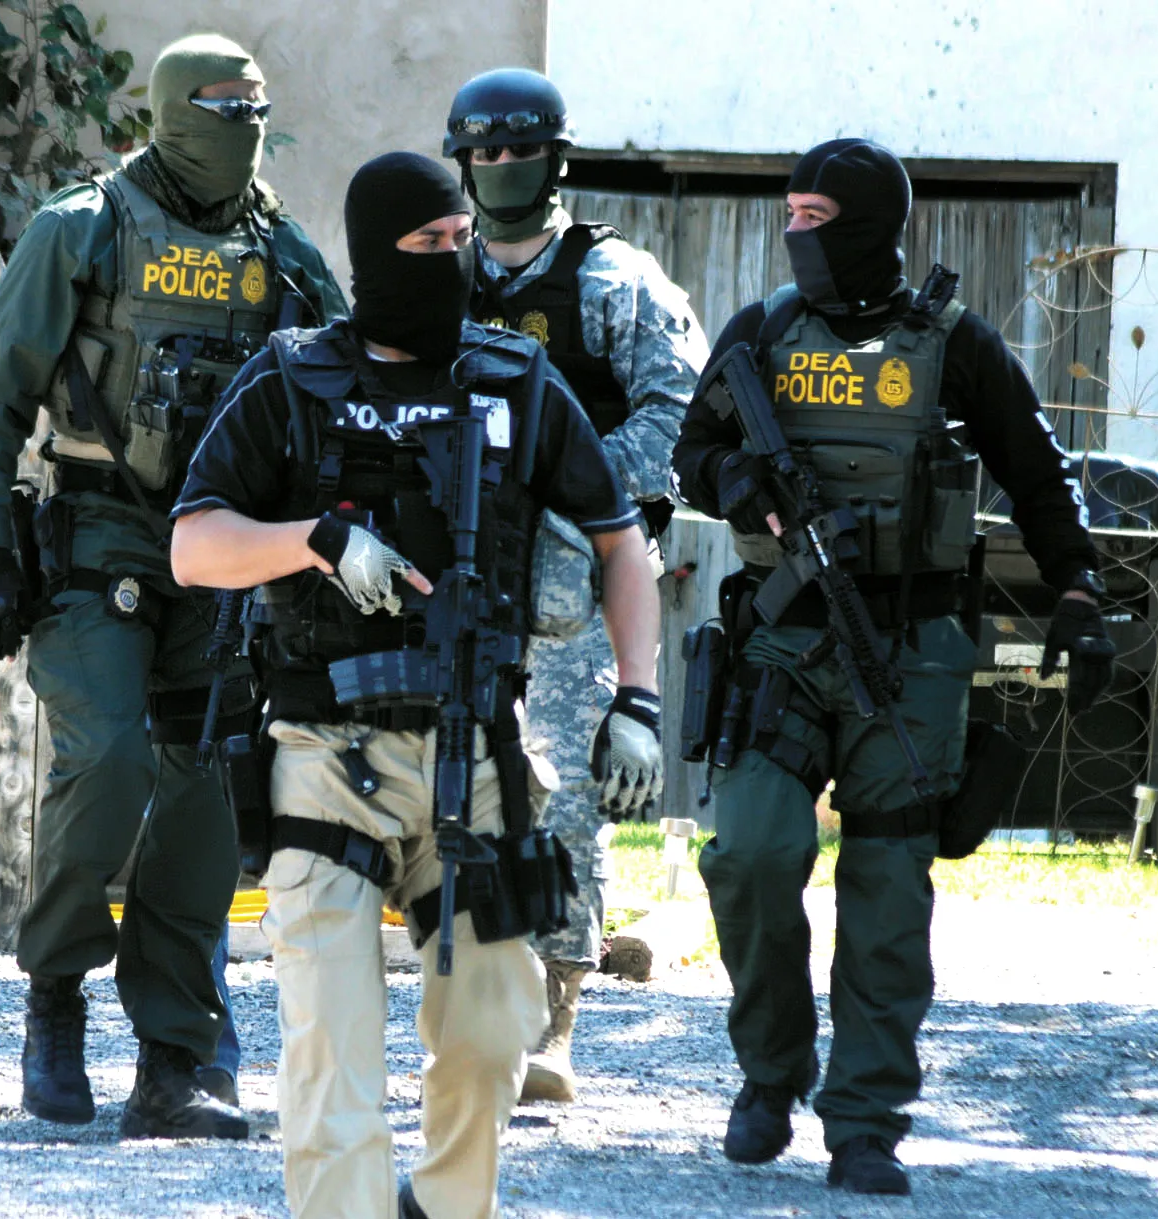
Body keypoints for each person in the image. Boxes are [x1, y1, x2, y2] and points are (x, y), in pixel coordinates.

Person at [170, 151, 663, 1219]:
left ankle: (441, 1206)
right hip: (323, 756)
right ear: (374, 256)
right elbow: (194, 546)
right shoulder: (291, 379)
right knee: (332, 1051)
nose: (452, 258)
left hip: (477, 753)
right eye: (426, 243)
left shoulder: (515, 379)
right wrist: (315, 539)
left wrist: (637, 699)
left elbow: (621, 539)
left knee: (492, 1034)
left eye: (460, 240)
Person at [670, 138, 1114, 1195]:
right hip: (782, 640)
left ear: (871, 225)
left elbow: (1037, 473)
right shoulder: (761, 333)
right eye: (790, 214)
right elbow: (689, 452)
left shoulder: (955, 345)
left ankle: (864, 1120)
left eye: (816, 217)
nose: (796, 234)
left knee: (886, 890)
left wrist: (1079, 590)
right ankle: (769, 1075)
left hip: (912, 653)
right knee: (750, 851)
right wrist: (733, 477)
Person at [0, 32, 345, 1138]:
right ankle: (56, 989)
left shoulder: (283, 253)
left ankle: (175, 1059)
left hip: (222, 554)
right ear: (171, 110)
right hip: (99, 536)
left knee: (206, 789)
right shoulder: (84, 228)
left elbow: (336, 394)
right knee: (111, 758)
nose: (244, 125)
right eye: (223, 106)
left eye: (257, 107)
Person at [443, 67, 707, 1102]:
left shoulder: (616, 281)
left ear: (556, 160)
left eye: (521, 149)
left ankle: (554, 1018)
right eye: (485, 150)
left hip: (569, 580)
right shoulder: (438, 272)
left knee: (561, 798)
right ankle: (469, 1008)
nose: (501, 166)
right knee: (449, 791)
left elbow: (678, 416)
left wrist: (573, 493)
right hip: (453, 573)